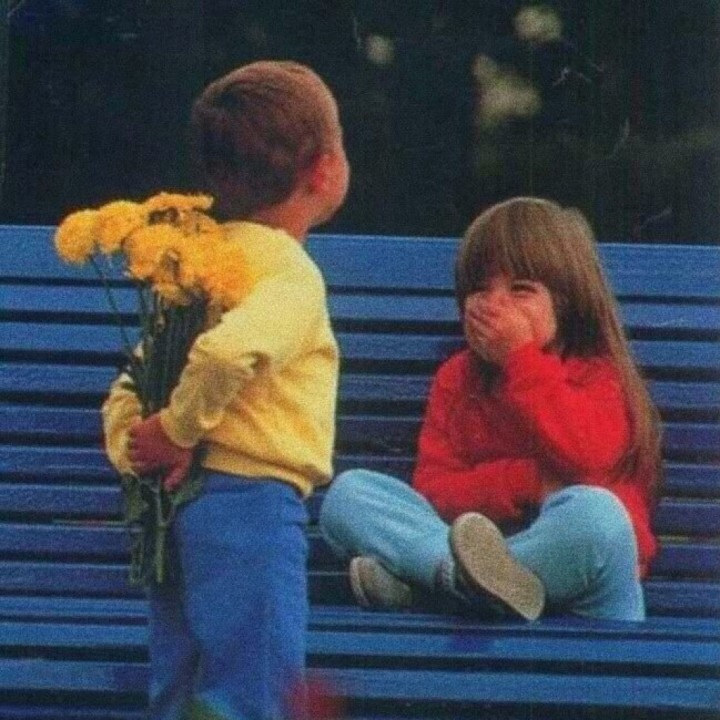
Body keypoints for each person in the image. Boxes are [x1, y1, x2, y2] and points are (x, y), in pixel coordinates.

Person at [102, 61, 350, 720]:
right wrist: (176, 430)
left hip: (177, 506)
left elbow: (132, 384)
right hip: (254, 506)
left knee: (180, 688)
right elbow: (225, 353)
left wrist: (142, 449)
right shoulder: (291, 276)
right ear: (324, 170)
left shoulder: (201, 265)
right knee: (255, 691)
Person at [320, 197, 661, 622]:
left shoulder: (597, 373)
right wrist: (528, 482)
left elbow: (588, 457)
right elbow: (436, 491)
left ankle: (438, 588)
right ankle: (465, 581)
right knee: (349, 495)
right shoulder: (457, 378)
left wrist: (521, 359)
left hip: (586, 601)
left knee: (600, 517)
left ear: (567, 301)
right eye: (480, 289)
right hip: (473, 559)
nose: (495, 304)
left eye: (521, 290)